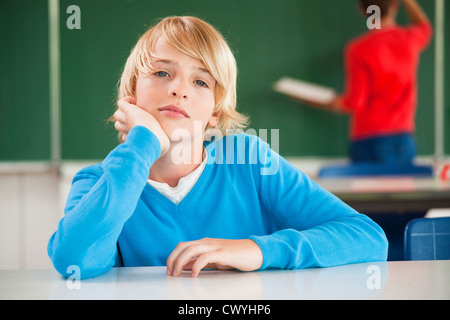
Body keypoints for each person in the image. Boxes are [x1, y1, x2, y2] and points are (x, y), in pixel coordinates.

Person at [47, 16, 388, 280]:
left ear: (215, 113)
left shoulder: (251, 161)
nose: (179, 89)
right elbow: (73, 260)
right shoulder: (100, 181)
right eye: (162, 73)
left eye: (200, 81)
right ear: (132, 93)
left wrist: (258, 250)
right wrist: (143, 144)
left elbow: (367, 236)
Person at [300, 0, 432, 165]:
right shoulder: (410, 39)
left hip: (368, 139)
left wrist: (310, 100)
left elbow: (355, 103)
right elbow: (424, 26)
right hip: (402, 138)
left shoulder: (359, 49)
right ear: (394, 6)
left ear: (362, 10)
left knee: (366, 191)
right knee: (404, 190)